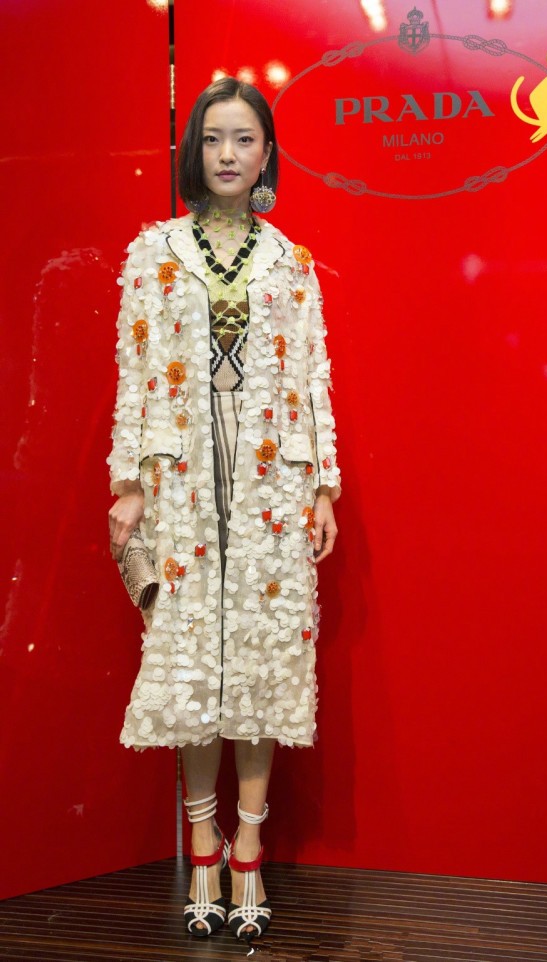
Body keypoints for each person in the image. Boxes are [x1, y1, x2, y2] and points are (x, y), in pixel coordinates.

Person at [107, 78, 341, 944]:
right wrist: (129, 481)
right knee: (189, 661)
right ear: (193, 152)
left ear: (267, 153)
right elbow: (135, 372)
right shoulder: (154, 251)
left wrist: (322, 485)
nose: (229, 154)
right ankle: (200, 846)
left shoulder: (291, 261)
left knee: (261, 660)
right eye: (213, 139)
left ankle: (248, 847)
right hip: (182, 476)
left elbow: (313, 377)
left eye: (244, 139)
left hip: (272, 478)